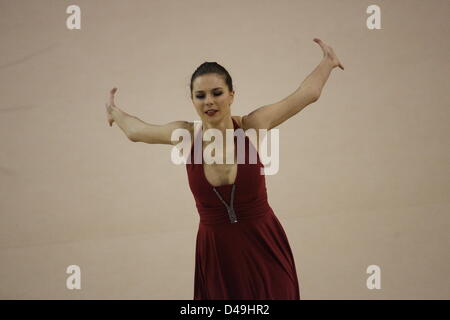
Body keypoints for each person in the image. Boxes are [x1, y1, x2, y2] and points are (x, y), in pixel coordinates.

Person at [105, 38, 344, 299]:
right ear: (193, 100)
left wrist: (327, 62)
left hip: (264, 245)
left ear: (231, 95)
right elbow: (136, 131)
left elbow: (307, 94)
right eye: (201, 95)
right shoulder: (185, 136)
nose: (209, 101)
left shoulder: (253, 126)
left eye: (217, 93)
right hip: (217, 254)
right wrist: (114, 112)